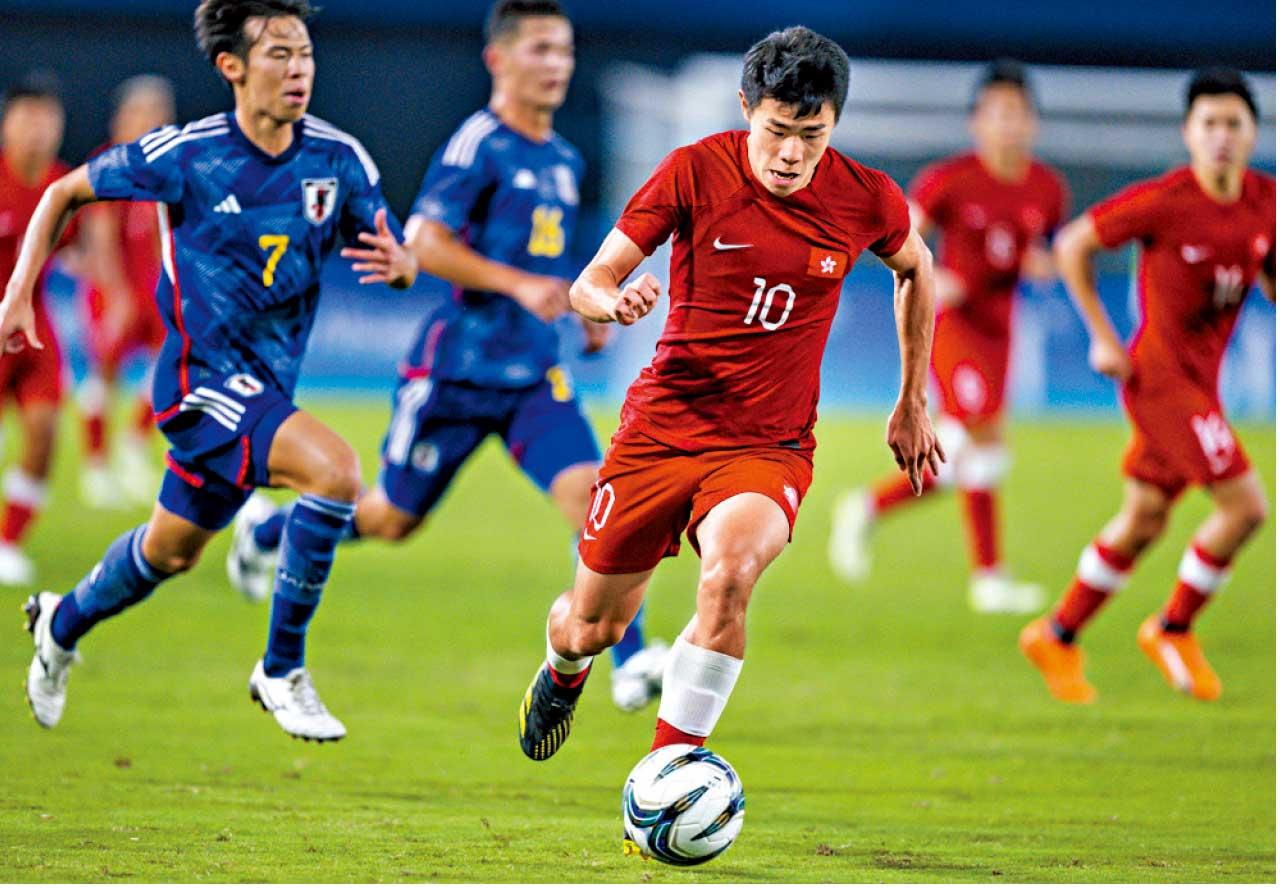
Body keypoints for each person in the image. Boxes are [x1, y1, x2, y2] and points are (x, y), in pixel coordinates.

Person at [515, 26, 943, 763]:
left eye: (811, 135)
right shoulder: (694, 171)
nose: (791, 154)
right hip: (663, 431)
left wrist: (912, 400)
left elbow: (916, 268)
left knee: (730, 576)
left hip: (767, 446)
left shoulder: (864, 196)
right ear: (748, 108)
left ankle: (667, 770)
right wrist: (609, 302)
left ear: (834, 124)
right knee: (592, 626)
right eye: (777, 130)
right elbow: (592, 279)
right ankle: (563, 670)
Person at [231, 0, 668, 713]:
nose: (556, 64)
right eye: (539, 50)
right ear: (499, 59)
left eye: (563, 51)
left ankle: (631, 658)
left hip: (533, 378)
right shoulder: (478, 146)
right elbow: (425, 242)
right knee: (392, 520)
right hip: (455, 376)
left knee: (596, 499)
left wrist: (585, 309)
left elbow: (550, 262)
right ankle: (267, 531)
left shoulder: (562, 159)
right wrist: (518, 285)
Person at [4, 0, 416, 740]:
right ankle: (281, 669)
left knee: (169, 552)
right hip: (201, 384)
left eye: (305, 53)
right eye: (279, 54)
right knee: (335, 473)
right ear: (232, 67)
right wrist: (16, 295)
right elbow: (65, 192)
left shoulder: (338, 158)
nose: (299, 69)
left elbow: (397, 250)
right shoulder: (187, 154)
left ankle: (60, 625)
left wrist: (403, 264)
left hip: (267, 388)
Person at [1020, 67, 1273, 704]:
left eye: (1233, 124)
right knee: (1245, 508)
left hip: (1203, 386)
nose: (1221, 136)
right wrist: (1103, 337)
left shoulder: (1265, 202)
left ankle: (1056, 634)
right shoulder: (1167, 200)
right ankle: (1173, 627)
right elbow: (1073, 244)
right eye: (1209, 123)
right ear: (1189, 133)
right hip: (1159, 381)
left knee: (1144, 519)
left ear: (1253, 133)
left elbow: (1266, 269)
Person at [828, 59, 1068, 613]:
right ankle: (988, 579)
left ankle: (867, 507)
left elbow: (1049, 251)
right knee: (978, 443)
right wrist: (935, 276)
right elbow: (899, 238)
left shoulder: (1046, 188)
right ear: (977, 122)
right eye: (997, 113)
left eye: (1018, 114)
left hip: (1001, 330)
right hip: (952, 327)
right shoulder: (950, 180)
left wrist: (1043, 264)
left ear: (1032, 122)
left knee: (974, 454)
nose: (1008, 124)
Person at [78, 75, 177, 509]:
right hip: (113, 287)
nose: (154, 122)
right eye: (146, 113)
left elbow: (160, 235)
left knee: (169, 365)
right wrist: (115, 295)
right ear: (123, 117)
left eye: (161, 114)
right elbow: (99, 235)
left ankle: (133, 448)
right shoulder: (109, 163)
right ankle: (96, 467)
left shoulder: (161, 167)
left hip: (150, 287)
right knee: (105, 374)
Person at [0, 73, 80, 586]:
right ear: (7, 124)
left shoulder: (64, 187)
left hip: (33, 328)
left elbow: (80, 250)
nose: (38, 129)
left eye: (48, 119)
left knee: (46, 432)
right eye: (28, 117)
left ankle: (8, 543)